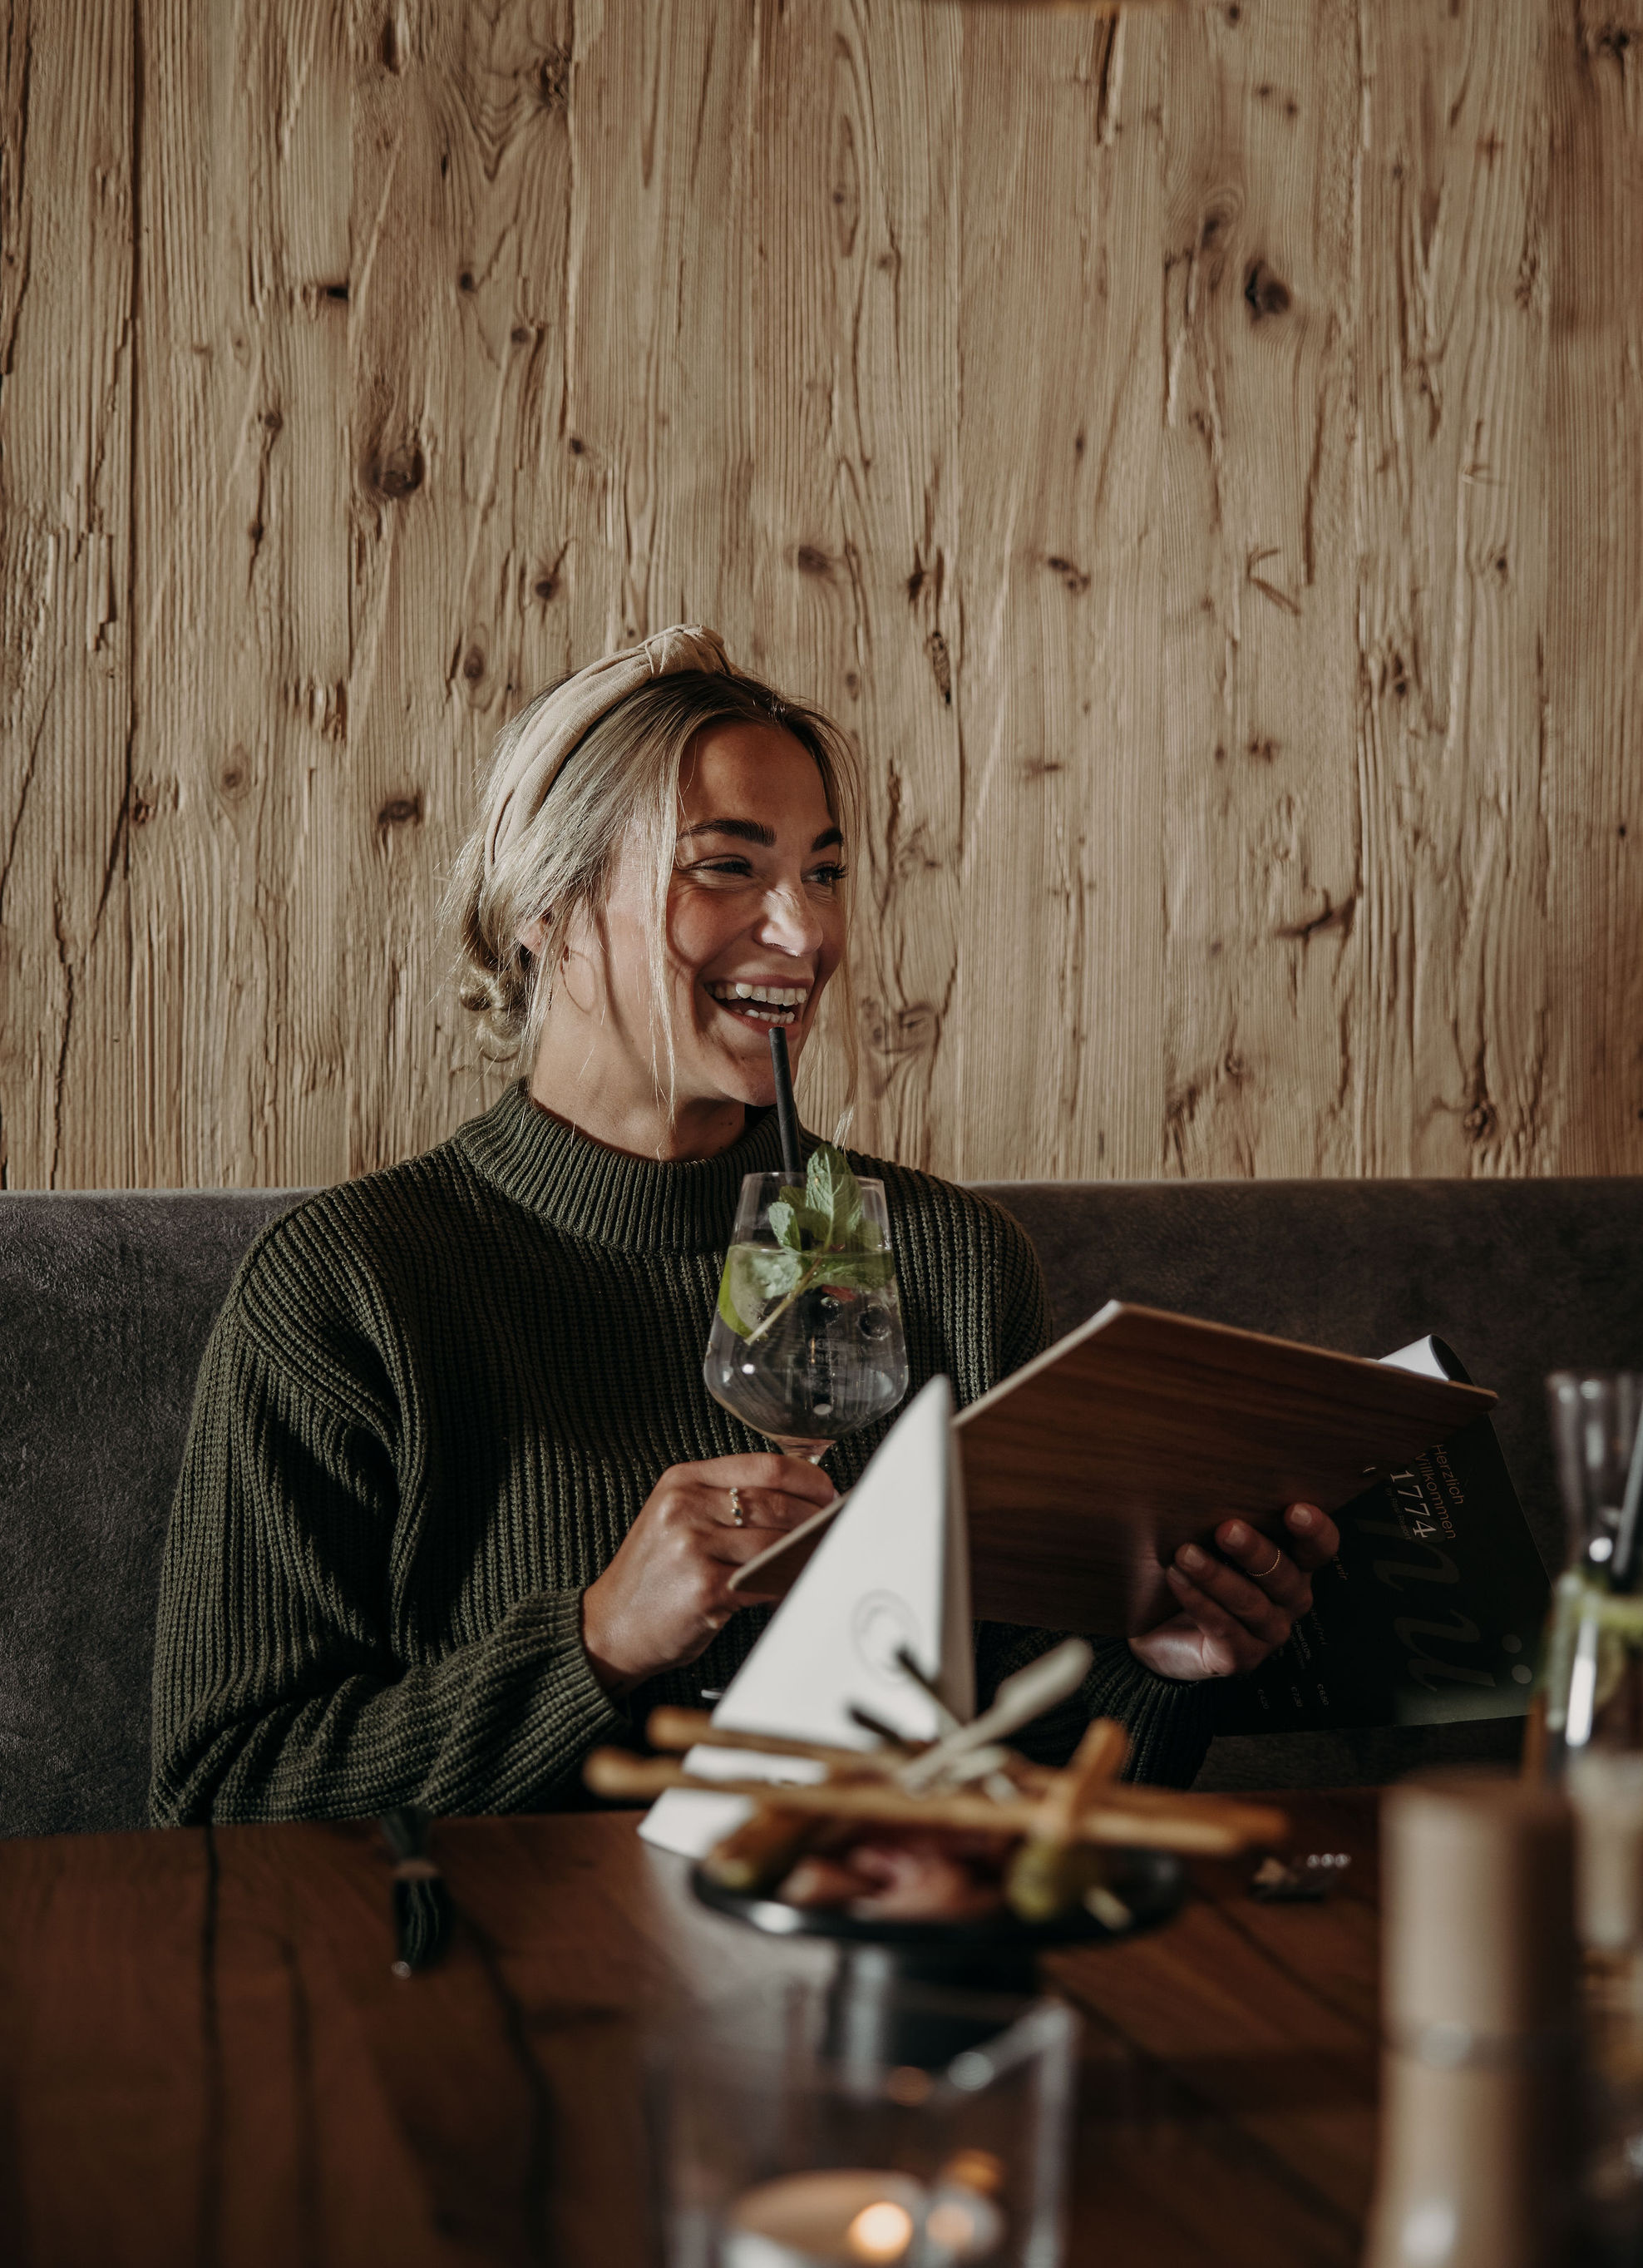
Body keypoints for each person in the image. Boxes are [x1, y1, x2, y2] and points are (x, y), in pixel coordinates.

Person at [150, 627, 1339, 1825]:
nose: (806, 935)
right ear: (547, 908)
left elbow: (1017, 1795)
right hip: (505, 1988)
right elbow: (218, 1800)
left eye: (822, 873)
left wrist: (1167, 1668)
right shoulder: (346, 1291)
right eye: (727, 868)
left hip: (880, 1972)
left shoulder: (949, 1265)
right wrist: (597, 1645)